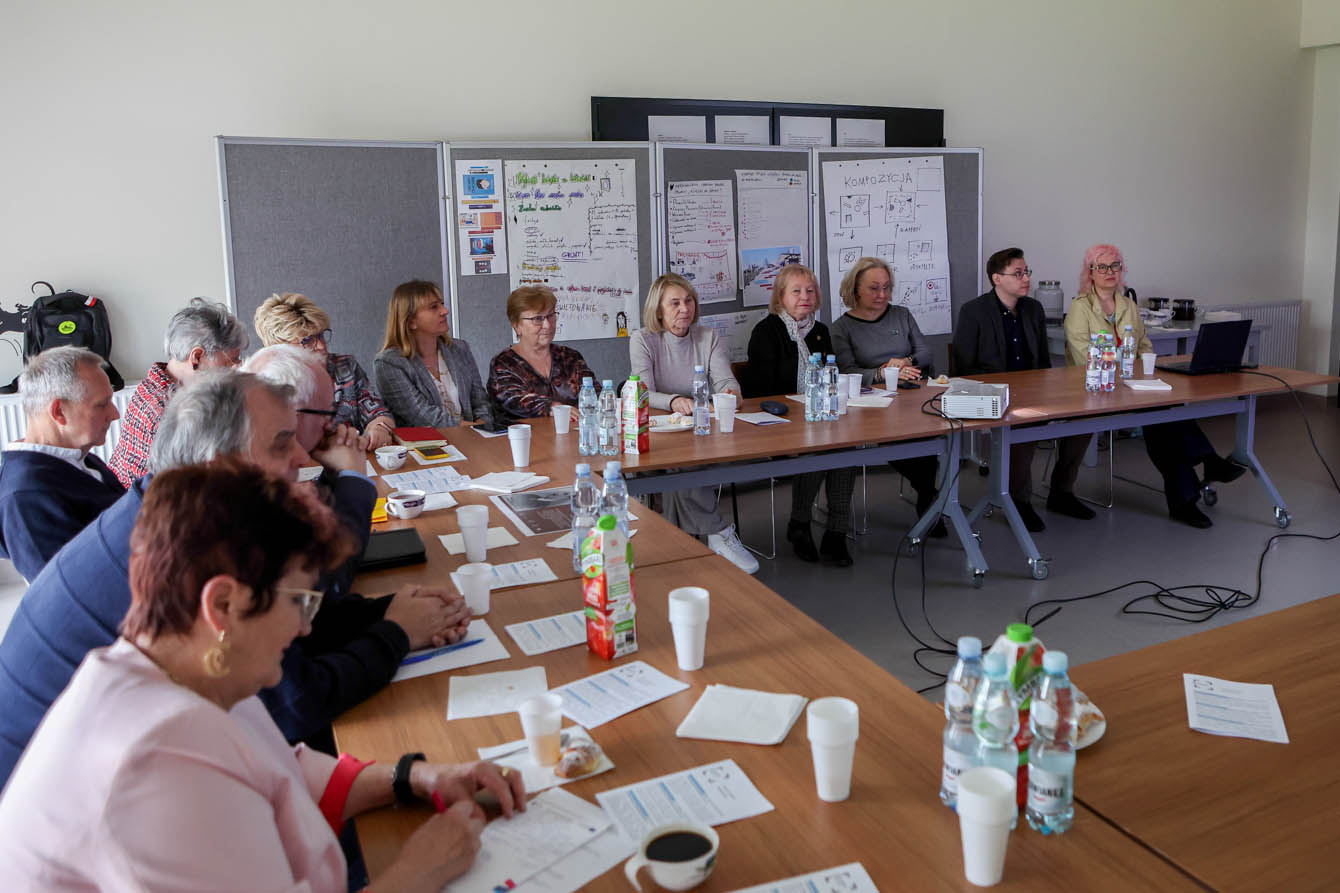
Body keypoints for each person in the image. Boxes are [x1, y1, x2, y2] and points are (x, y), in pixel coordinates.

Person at [0, 460, 522, 890]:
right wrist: (417, 873)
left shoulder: (186, 665)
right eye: (299, 602)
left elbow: (279, 771)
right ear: (223, 604)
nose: (305, 627)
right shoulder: (154, 762)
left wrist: (414, 777)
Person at [0, 370, 467, 786]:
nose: (301, 456)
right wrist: (397, 632)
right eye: (281, 443)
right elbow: (293, 706)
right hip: (74, 801)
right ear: (218, 462)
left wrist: (384, 611)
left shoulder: (177, 508)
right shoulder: (186, 549)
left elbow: (281, 618)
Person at [1063, 244, 1243, 528]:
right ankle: (1202, 470)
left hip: (1130, 386)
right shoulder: (1079, 307)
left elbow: (1144, 346)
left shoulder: (1128, 306)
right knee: (1163, 420)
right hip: (1095, 387)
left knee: (1167, 410)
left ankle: (1188, 495)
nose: (1110, 272)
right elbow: (1083, 355)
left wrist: (1142, 370)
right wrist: (1125, 363)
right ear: (1091, 272)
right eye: (1102, 267)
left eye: (1115, 266)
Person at [954, 248, 1095, 533]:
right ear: (997, 278)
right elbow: (965, 367)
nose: (1026, 278)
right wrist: (1008, 389)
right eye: (1018, 273)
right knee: (1022, 422)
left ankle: (1062, 491)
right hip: (994, 393)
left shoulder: (1033, 309)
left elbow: (1042, 360)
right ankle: (1019, 501)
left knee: (1085, 415)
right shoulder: (974, 311)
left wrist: (1045, 391)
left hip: (1035, 389)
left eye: (1026, 272)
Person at [628, 273, 756, 573]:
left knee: (682, 463)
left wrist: (730, 393)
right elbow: (641, 391)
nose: (684, 308)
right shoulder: (643, 339)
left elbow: (726, 382)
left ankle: (677, 547)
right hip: (657, 433)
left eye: (688, 301)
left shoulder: (707, 337)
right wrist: (673, 401)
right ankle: (718, 532)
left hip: (700, 430)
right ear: (659, 309)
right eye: (674, 303)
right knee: (678, 461)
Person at [745, 264, 856, 567]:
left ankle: (836, 532)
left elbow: (830, 377)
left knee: (845, 446)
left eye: (810, 290)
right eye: (796, 291)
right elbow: (760, 393)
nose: (805, 297)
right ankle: (800, 523)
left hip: (817, 416)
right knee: (817, 447)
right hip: (777, 422)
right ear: (780, 297)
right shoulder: (766, 332)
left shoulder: (820, 332)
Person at [830, 257, 946, 538]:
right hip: (870, 405)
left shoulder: (902, 315)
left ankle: (928, 497)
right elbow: (846, 371)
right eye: (874, 288)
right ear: (855, 289)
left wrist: (906, 361)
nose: (882, 295)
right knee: (903, 442)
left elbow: (925, 353)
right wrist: (883, 373)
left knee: (932, 438)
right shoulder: (841, 328)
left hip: (912, 398)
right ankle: (929, 496)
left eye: (887, 287)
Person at [0, 347, 124, 581]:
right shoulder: (27, 495)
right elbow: (71, 590)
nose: (115, 414)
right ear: (59, 411)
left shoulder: (79, 458)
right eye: (102, 404)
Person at [108, 297, 247, 486]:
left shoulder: (158, 383)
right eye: (231, 361)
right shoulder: (167, 411)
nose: (236, 368)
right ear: (196, 357)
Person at [254, 291, 396, 448]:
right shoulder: (267, 385)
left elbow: (379, 413)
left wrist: (380, 428)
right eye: (307, 340)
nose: (321, 346)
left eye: (321, 335)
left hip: (351, 459)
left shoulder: (345, 367)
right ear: (280, 348)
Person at [375, 280, 492, 430]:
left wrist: (484, 427)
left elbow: (480, 400)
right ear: (411, 321)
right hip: (426, 443)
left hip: (475, 437)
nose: (445, 311)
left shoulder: (459, 349)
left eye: (442, 304)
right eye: (434, 307)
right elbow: (422, 416)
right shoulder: (389, 363)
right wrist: (473, 431)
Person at [487, 285, 596, 426]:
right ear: (517, 325)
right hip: (526, 437)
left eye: (550, 316)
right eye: (537, 319)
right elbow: (512, 400)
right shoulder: (504, 363)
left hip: (575, 434)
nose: (547, 325)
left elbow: (595, 393)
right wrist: (552, 408)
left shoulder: (570, 357)